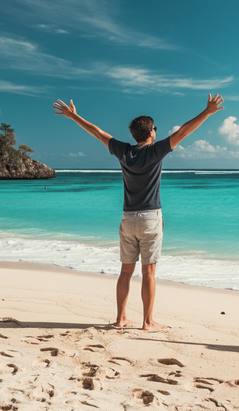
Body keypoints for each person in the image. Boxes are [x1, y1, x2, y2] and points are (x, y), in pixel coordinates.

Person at [54, 94, 224, 330]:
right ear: (151, 132)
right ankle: (147, 321)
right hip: (150, 219)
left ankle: (121, 318)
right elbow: (184, 131)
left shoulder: (123, 151)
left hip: (128, 218)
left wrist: (74, 116)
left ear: (134, 134)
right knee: (149, 272)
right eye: (155, 128)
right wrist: (207, 113)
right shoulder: (156, 151)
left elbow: (97, 132)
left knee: (125, 271)